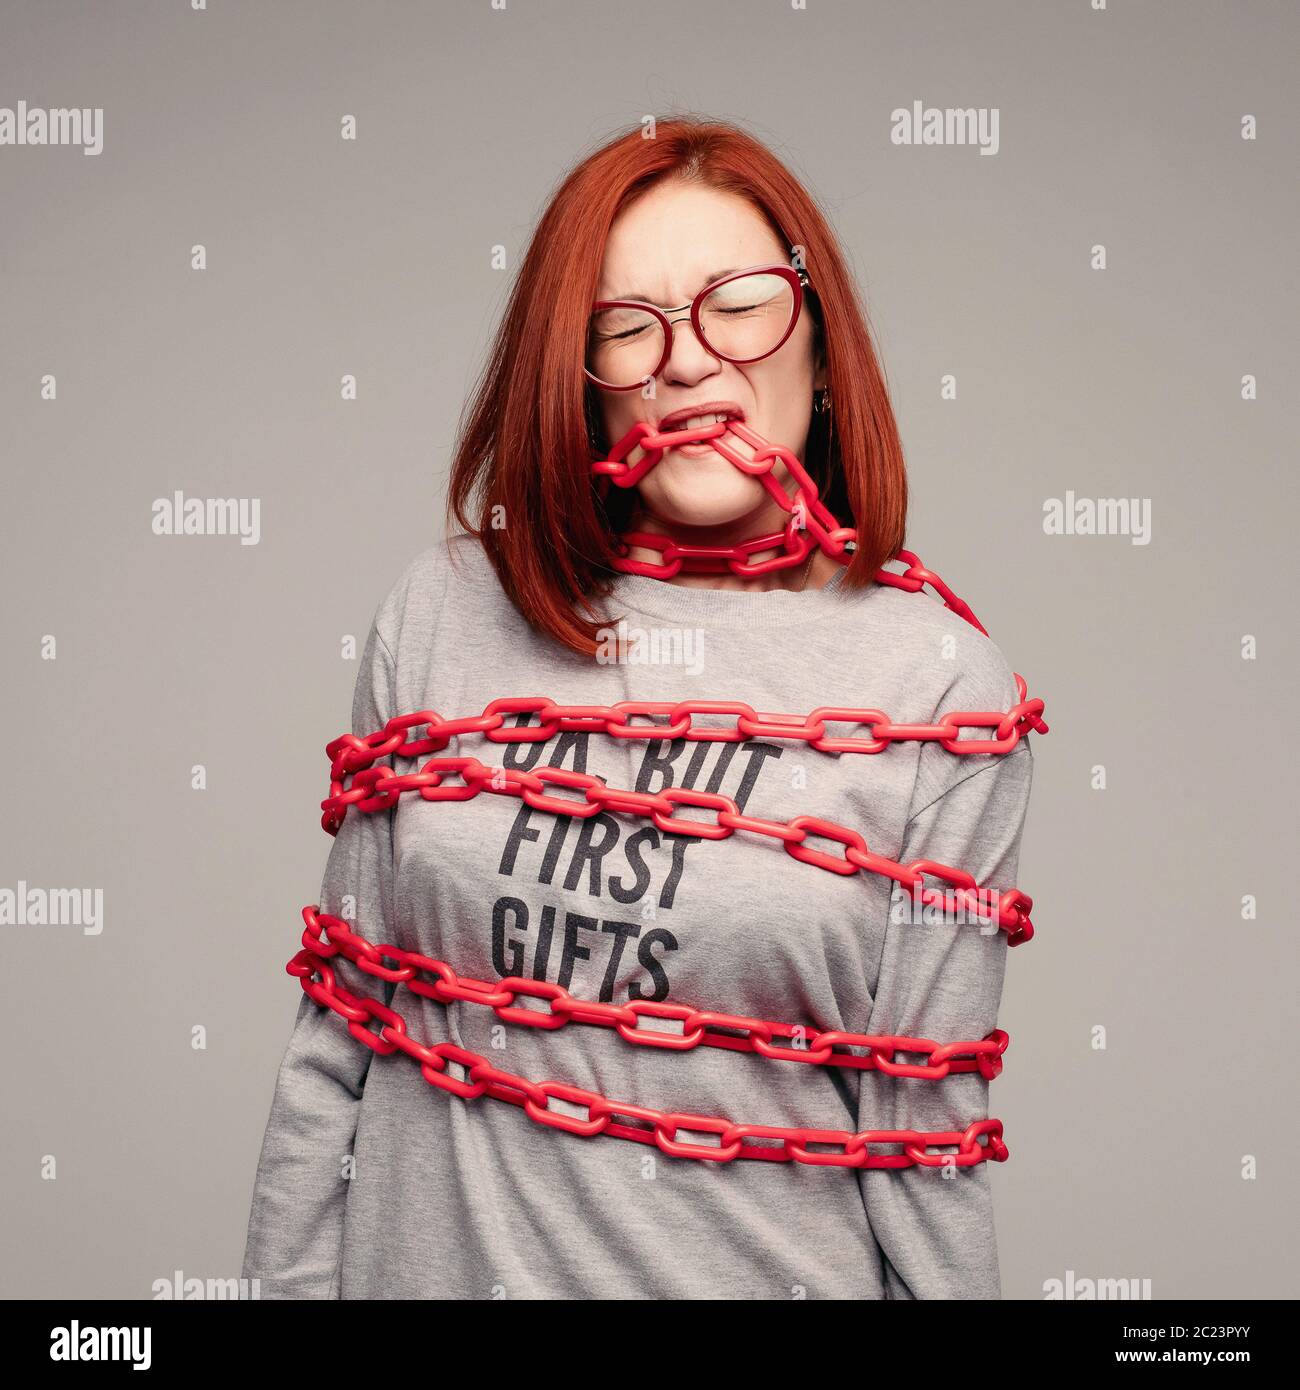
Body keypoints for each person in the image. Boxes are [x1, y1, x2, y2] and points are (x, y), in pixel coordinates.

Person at [241, 116, 1039, 1300]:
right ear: (578, 380)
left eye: (740, 301)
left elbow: (922, 1141)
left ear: (820, 349)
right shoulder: (445, 613)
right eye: (626, 325)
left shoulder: (936, 693)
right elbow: (337, 1048)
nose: (687, 360)